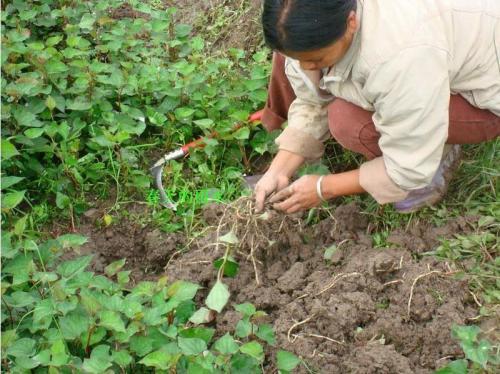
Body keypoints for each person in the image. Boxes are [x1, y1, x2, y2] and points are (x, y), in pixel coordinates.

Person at [254, 0, 500, 214]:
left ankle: (437, 159)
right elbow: (312, 100)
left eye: (317, 59)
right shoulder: (308, 28)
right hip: (437, 59)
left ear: (351, 23)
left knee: (350, 122)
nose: (308, 67)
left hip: (486, 94)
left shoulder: (399, 55)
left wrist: (323, 188)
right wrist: (279, 170)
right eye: (300, 60)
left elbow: (406, 168)